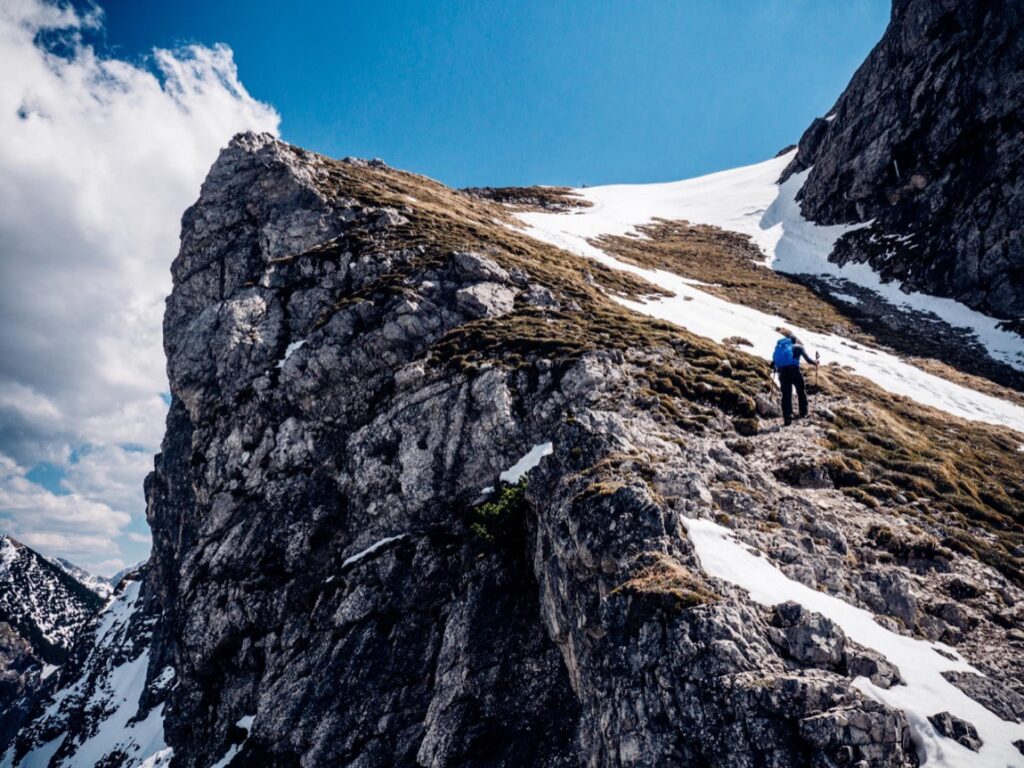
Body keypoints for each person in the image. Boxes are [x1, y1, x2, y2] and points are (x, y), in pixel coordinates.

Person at [771, 329, 818, 426]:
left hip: (782, 373)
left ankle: (787, 418)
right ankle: (803, 412)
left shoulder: (781, 349)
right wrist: (815, 362)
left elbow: (773, 364)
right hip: (794, 372)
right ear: (794, 340)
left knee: (786, 395)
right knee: (800, 390)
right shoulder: (798, 347)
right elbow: (808, 360)